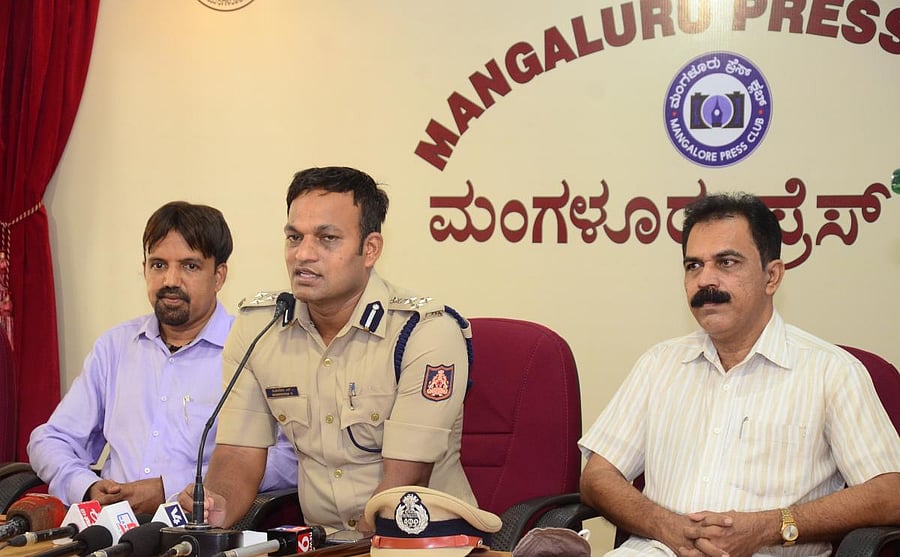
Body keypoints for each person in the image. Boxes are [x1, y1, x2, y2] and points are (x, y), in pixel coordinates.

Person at [578, 192, 900, 557]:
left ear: (772, 276)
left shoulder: (832, 372)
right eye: (693, 265)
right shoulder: (659, 364)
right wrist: (665, 526)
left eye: (726, 262)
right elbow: (597, 477)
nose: (705, 280)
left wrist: (770, 527)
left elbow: (891, 492)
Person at [178, 166, 475, 532]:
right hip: (322, 544)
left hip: (423, 540)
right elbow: (238, 452)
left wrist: (340, 551)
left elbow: (403, 483)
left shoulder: (425, 333)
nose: (303, 254)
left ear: (370, 249)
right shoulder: (259, 329)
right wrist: (219, 504)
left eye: (327, 238)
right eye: (294, 237)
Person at [28, 201, 296, 514]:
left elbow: (288, 459)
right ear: (144, 268)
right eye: (158, 265)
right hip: (110, 528)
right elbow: (51, 439)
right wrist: (85, 486)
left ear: (219, 276)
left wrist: (169, 488)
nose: (170, 280)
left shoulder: (252, 350)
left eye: (190, 266)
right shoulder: (116, 347)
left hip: (200, 527)